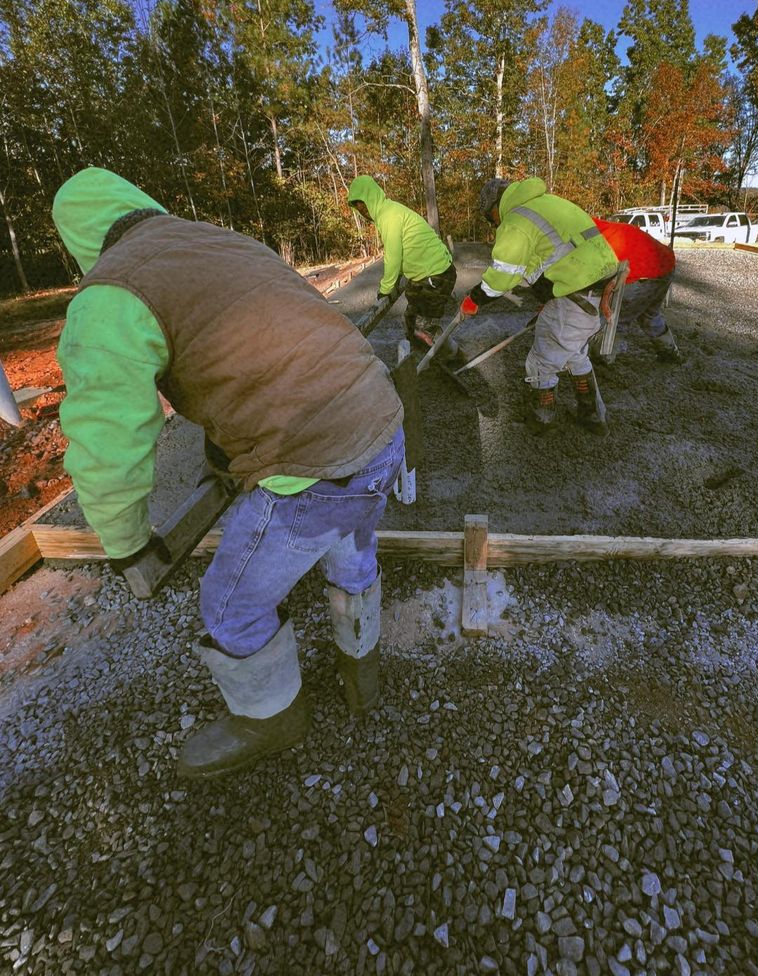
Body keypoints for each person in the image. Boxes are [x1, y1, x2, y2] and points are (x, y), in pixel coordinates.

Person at [52, 168, 404, 780]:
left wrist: (127, 546)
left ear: (80, 241)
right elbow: (261, 343)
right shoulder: (219, 240)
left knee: (229, 604)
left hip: (310, 459)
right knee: (350, 551)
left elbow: (107, 442)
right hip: (378, 419)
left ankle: (271, 719)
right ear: (138, 200)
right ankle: (362, 675)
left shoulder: (112, 294)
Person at [460, 178, 619, 434]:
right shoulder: (546, 204)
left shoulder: (516, 221)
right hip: (594, 287)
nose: (493, 223)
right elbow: (550, 258)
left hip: (575, 293)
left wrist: (475, 299)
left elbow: (503, 274)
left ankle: (542, 420)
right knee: (575, 353)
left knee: (541, 361)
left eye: (490, 217)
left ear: (495, 205)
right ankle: (592, 415)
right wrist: (548, 300)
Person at [347, 175, 457, 352]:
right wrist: (396, 279)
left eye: (362, 202)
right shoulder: (388, 213)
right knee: (411, 319)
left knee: (423, 328)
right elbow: (402, 250)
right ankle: (420, 356)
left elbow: (393, 255)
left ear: (371, 197)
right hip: (424, 274)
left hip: (436, 274)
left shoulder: (389, 216)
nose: (361, 209)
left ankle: (449, 354)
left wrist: (386, 289)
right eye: (356, 206)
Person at [590, 217, 685, 363]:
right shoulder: (596, 227)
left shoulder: (588, 240)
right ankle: (670, 352)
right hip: (665, 264)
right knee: (650, 315)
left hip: (641, 272)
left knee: (616, 317)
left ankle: (605, 357)